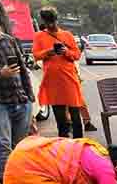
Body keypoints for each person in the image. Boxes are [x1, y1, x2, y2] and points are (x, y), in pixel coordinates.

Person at [0, 11, 35, 184]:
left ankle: (18, 179)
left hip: (19, 99)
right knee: (3, 145)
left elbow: (23, 69)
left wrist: (29, 96)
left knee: (19, 145)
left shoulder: (10, 41)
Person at [33, 7, 84, 139]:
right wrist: (48, 52)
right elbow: (36, 55)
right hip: (52, 82)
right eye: (47, 22)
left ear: (57, 20)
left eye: (52, 21)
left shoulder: (67, 35)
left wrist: (66, 52)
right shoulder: (39, 36)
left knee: (75, 116)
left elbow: (77, 54)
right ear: (43, 21)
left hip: (69, 79)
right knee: (61, 120)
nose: (50, 25)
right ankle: (64, 146)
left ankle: (79, 144)